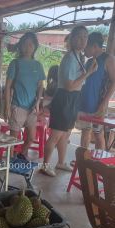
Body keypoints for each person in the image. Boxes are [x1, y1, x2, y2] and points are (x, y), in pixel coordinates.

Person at [40, 26, 97, 177]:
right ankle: (45, 165)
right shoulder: (69, 58)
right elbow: (69, 86)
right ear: (72, 39)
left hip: (73, 99)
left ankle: (60, 162)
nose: (83, 40)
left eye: (85, 37)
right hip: (65, 97)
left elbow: (77, 85)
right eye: (79, 36)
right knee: (56, 135)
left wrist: (87, 73)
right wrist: (89, 73)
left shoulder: (79, 57)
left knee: (65, 135)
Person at [4, 32, 46, 159]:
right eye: (25, 44)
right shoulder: (15, 63)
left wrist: (38, 101)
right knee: (13, 139)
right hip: (17, 107)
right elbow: (7, 87)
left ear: (35, 47)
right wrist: (7, 107)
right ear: (20, 46)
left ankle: (21, 154)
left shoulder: (38, 65)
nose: (28, 47)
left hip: (32, 108)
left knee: (31, 137)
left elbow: (40, 86)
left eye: (31, 44)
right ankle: (10, 161)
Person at [76, 32, 115, 150]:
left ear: (94, 46)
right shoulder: (88, 62)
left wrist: (104, 103)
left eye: (86, 46)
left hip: (98, 105)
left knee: (98, 134)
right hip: (84, 104)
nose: (84, 50)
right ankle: (83, 159)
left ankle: (99, 163)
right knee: (85, 131)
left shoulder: (108, 59)